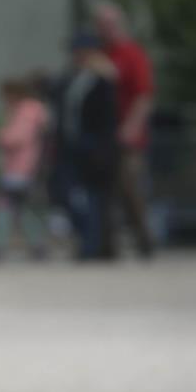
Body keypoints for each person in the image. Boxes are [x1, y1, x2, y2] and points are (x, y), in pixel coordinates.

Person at [50, 32, 119, 260]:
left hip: (93, 147)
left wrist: (102, 148)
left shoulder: (103, 81)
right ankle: (86, 239)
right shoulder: (69, 79)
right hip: (70, 146)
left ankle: (92, 247)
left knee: (94, 199)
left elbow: (108, 118)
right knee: (65, 195)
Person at [94, 2, 155, 257]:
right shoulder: (99, 55)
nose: (106, 29)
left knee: (130, 188)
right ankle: (107, 245)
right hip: (104, 135)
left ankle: (144, 240)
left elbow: (144, 95)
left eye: (111, 24)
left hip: (128, 136)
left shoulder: (132, 53)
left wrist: (131, 127)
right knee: (104, 190)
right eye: (102, 24)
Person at [0, 78, 49, 259]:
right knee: (20, 209)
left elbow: (17, 137)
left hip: (19, 169)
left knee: (5, 207)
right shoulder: (31, 111)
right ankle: (36, 244)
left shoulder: (27, 111)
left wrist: (0, 137)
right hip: (21, 168)